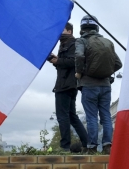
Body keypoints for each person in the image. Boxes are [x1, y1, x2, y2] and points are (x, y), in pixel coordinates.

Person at [75, 15, 122, 154]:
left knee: (91, 117)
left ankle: (92, 147)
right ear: (97, 27)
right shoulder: (108, 42)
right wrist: (105, 72)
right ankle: (107, 146)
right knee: (106, 116)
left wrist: (79, 72)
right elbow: (118, 63)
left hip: (89, 85)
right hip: (106, 85)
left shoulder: (82, 41)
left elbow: (78, 55)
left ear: (82, 28)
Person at [50, 22, 89, 153]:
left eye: (62, 30)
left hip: (66, 85)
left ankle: (65, 146)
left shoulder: (73, 43)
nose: (59, 32)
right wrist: (56, 61)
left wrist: (58, 61)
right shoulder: (66, 43)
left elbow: (74, 61)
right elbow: (68, 62)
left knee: (63, 116)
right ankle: (86, 142)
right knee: (72, 116)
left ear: (70, 31)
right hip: (68, 84)